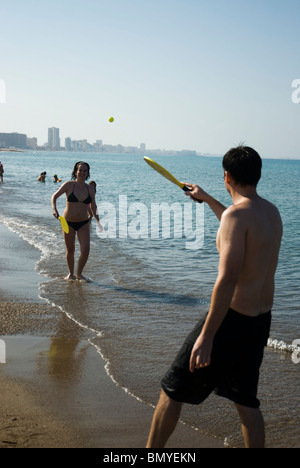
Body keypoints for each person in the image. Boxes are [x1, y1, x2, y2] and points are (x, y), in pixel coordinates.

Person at [146, 146, 283, 449]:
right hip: (259, 321)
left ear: (227, 176)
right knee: (246, 401)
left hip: (228, 321)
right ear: (258, 175)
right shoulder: (270, 212)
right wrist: (207, 198)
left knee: (172, 389)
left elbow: (229, 277)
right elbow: (235, 223)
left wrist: (207, 336)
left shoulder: (237, 215)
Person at [51, 161, 99, 281]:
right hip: (68, 222)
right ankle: (70, 274)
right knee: (70, 250)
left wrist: (97, 220)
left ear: (88, 173)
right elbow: (54, 196)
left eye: (85, 170)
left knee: (86, 250)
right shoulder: (68, 185)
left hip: (83, 223)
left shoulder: (90, 189)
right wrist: (54, 209)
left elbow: (93, 206)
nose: (82, 172)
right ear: (76, 171)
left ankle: (79, 274)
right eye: (80, 170)